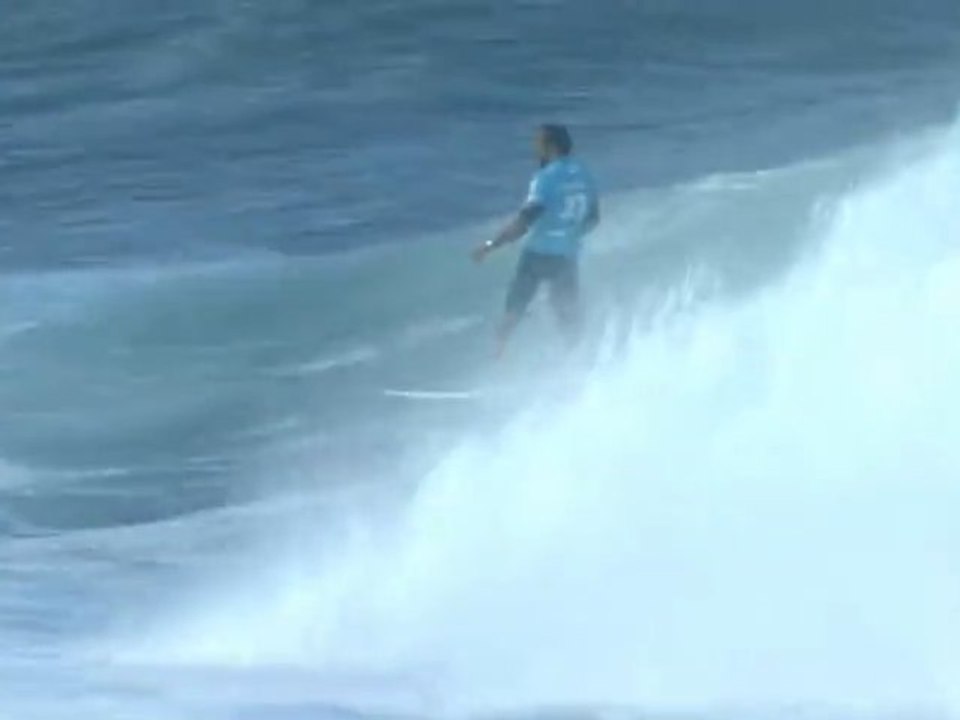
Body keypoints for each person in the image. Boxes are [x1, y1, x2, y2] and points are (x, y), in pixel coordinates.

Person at [473, 124, 600, 358]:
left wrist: (491, 245)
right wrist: (569, 234)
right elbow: (593, 219)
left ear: (551, 146)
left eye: (538, 143)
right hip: (566, 255)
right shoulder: (584, 173)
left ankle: (495, 357)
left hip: (538, 254)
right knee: (567, 314)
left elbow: (525, 221)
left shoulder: (546, 178)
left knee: (514, 308)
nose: (535, 148)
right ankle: (578, 362)